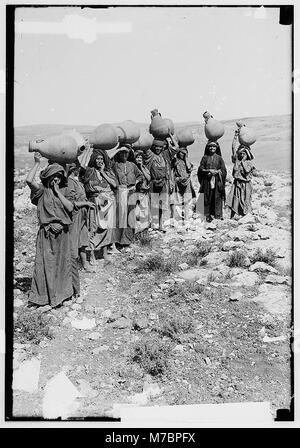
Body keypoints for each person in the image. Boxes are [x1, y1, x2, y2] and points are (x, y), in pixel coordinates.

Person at [26, 153, 74, 307]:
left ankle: (62, 295)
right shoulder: (41, 192)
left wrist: (58, 191)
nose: (56, 180)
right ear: (47, 178)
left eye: (59, 177)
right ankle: (44, 298)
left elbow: (70, 207)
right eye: (53, 176)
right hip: (47, 234)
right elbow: (28, 180)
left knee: (61, 264)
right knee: (46, 264)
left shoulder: (63, 192)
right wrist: (36, 163)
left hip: (62, 233)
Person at [83, 150, 118, 263]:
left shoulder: (107, 171)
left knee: (107, 227)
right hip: (95, 202)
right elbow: (87, 185)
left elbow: (114, 184)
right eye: (98, 159)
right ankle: (91, 254)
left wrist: (103, 173)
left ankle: (104, 253)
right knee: (94, 228)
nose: (100, 161)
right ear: (94, 159)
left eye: (102, 159)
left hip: (108, 203)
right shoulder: (90, 171)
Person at [66, 162, 95, 282]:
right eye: (78, 169)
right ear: (74, 170)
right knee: (73, 241)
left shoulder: (78, 182)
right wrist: (86, 203)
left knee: (83, 239)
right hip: (75, 215)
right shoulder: (69, 183)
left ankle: (84, 264)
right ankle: (72, 268)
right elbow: (71, 203)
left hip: (82, 214)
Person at [144, 136, 178, 231]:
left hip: (163, 183)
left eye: (160, 147)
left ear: (162, 147)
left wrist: (170, 136)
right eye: (156, 147)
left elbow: (176, 147)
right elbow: (145, 147)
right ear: (153, 147)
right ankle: (150, 224)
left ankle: (160, 224)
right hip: (153, 182)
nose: (158, 149)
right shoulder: (150, 155)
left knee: (161, 205)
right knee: (152, 204)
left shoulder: (165, 155)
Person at [112, 146, 143, 245]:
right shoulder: (115, 165)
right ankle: (119, 240)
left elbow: (140, 176)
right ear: (119, 154)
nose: (124, 155)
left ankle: (128, 240)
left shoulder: (132, 165)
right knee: (120, 216)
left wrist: (135, 184)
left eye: (126, 153)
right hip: (120, 192)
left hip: (131, 192)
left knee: (130, 215)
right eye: (122, 153)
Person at [226, 130, 255, 218]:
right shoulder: (237, 161)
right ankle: (235, 215)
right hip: (237, 183)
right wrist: (235, 137)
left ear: (247, 154)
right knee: (236, 198)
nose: (242, 155)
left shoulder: (249, 163)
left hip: (246, 184)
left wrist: (242, 161)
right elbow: (233, 148)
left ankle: (246, 215)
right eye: (241, 153)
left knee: (245, 199)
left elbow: (246, 170)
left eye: (244, 153)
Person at [197, 140, 227, 222]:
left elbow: (224, 170)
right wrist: (208, 171)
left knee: (217, 197)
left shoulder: (219, 158)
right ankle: (207, 215)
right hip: (207, 181)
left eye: (214, 146)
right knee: (207, 197)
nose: (212, 148)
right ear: (207, 148)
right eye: (210, 146)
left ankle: (217, 215)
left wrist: (217, 172)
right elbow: (200, 169)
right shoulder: (204, 158)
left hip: (217, 181)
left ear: (216, 148)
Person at [173, 146, 196, 225]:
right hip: (178, 182)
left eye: (184, 153)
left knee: (186, 200)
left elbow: (189, 168)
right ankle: (177, 218)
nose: (182, 154)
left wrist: (186, 158)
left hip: (187, 182)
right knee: (176, 199)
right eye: (181, 152)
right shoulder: (175, 161)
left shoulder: (188, 162)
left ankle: (186, 218)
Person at [133, 150, 151, 233]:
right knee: (136, 213)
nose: (139, 159)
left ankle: (143, 231)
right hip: (135, 193)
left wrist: (141, 167)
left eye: (140, 157)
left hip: (143, 193)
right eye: (137, 157)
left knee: (144, 212)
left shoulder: (144, 168)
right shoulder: (132, 167)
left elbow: (148, 178)